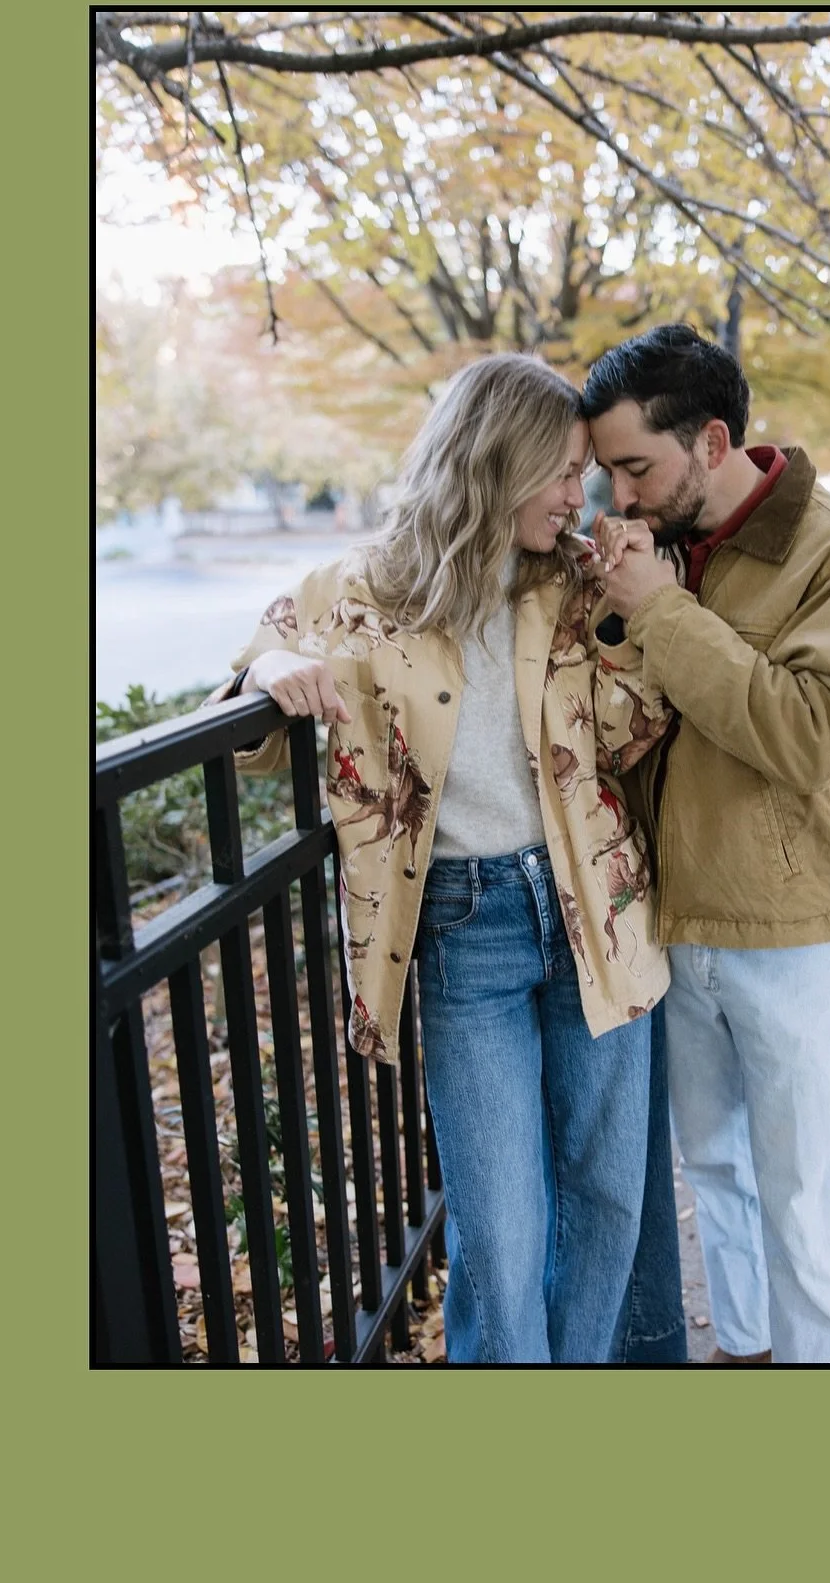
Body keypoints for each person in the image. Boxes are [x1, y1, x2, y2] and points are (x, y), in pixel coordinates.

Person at [208, 354, 675, 1364]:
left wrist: (640, 612)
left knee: (603, 1200)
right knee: (500, 1229)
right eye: (559, 472)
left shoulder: (576, 583)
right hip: (469, 930)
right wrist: (270, 666)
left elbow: (637, 732)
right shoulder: (360, 589)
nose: (576, 494)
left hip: (598, 912)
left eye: (583, 474)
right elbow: (243, 716)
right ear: (492, 462)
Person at [581, 324, 830, 1364]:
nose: (619, 495)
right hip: (678, 920)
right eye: (608, 471)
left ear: (712, 442)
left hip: (793, 927)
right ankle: (747, 1352)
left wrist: (664, 613)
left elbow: (807, 735)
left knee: (808, 1200)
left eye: (637, 466)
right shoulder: (651, 551)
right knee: (716, 1171)